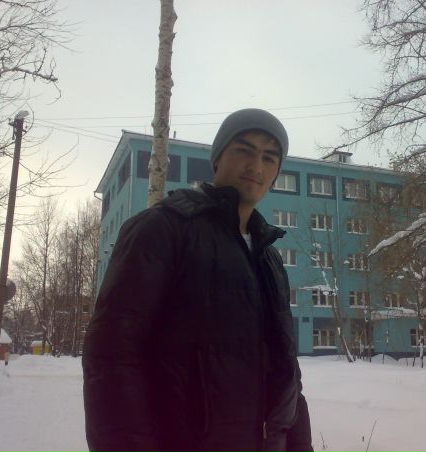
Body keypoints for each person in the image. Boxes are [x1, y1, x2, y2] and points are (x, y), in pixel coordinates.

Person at [82, 108, 313, 452]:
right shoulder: (163, 229)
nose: (256, 166)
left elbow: (287, 373)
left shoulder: (269, 258)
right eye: (244, 150)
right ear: (217, 158)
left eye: (269, 158)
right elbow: (112, 358)